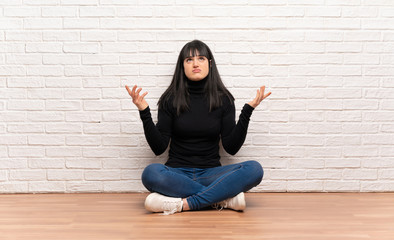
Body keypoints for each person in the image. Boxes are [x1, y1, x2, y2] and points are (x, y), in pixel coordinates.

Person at [125, 40, 271, 215]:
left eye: (201, 58)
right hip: (177, 174)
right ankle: (222, 199)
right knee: (151, 173)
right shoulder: (169, 99)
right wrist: (144, 112)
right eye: (189, 60)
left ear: (209, 63)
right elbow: (159, 147)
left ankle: (185, 204)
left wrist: (247, 111)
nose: (195, 64)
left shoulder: (224, 99)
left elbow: (232, 148)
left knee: (254, 169)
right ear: (182, 66)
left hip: (212, 174)